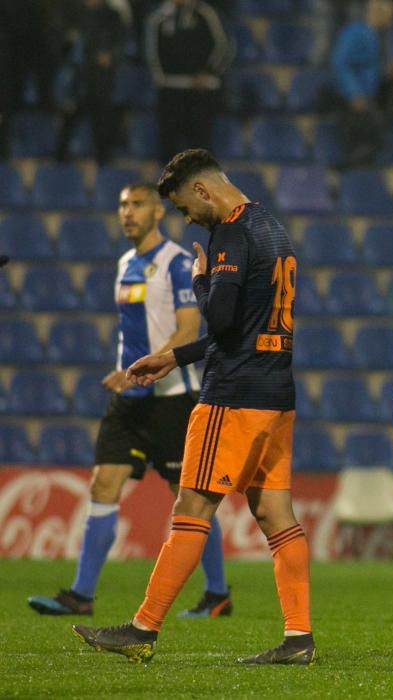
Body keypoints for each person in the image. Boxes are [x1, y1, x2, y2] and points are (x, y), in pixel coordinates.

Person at [72, 150, 314, 666]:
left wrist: (202, 281)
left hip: (232, 397)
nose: (186, 219)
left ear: (203, 191)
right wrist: (172, 357)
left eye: (184, 207)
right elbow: (244, 329)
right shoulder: (273, 228)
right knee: (276, 514)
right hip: (277, 395)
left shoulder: (229, 235)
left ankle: (143, 628)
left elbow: (222, 320)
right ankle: (298, 639)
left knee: (191, 509)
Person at [28, 182, 232, 619]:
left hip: (170, 399)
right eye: (122, 206)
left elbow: (188, 331)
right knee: (103, 483)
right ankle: (81, 595)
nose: (127, 213)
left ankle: (217, 594)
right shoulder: (125, 264)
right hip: (129, 400)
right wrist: (126, 372)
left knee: (190, 499)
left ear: (159, 213)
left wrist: (143, 367)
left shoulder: (177, 263)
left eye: (137, 205)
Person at [145, 0, 230, 162]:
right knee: (168, 148)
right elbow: (152, 56)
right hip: (170, 91)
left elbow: (224, 48)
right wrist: (163, 80)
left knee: (199, 149)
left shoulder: (205, 13)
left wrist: (208, 73)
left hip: (200, 91)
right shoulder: (159, 17)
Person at [328, 0, 393, 168]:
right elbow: (341, 63)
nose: (391, 20)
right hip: (354, 98)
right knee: (370, 135)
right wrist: (354, 94)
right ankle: (343, 171)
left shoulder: (376, 36)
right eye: (389, 15)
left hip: (369, 96)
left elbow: (368, 65)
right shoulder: (356, 32)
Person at [55, 0, 125, 164]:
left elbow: (121, 44)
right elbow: (61, 45)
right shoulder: (73, 13)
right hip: (76, 81)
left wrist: (111, 57)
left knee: (101, 125)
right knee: (68, 122)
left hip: (100, 81)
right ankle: (60, 162)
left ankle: (104, 163)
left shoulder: (112, 16)